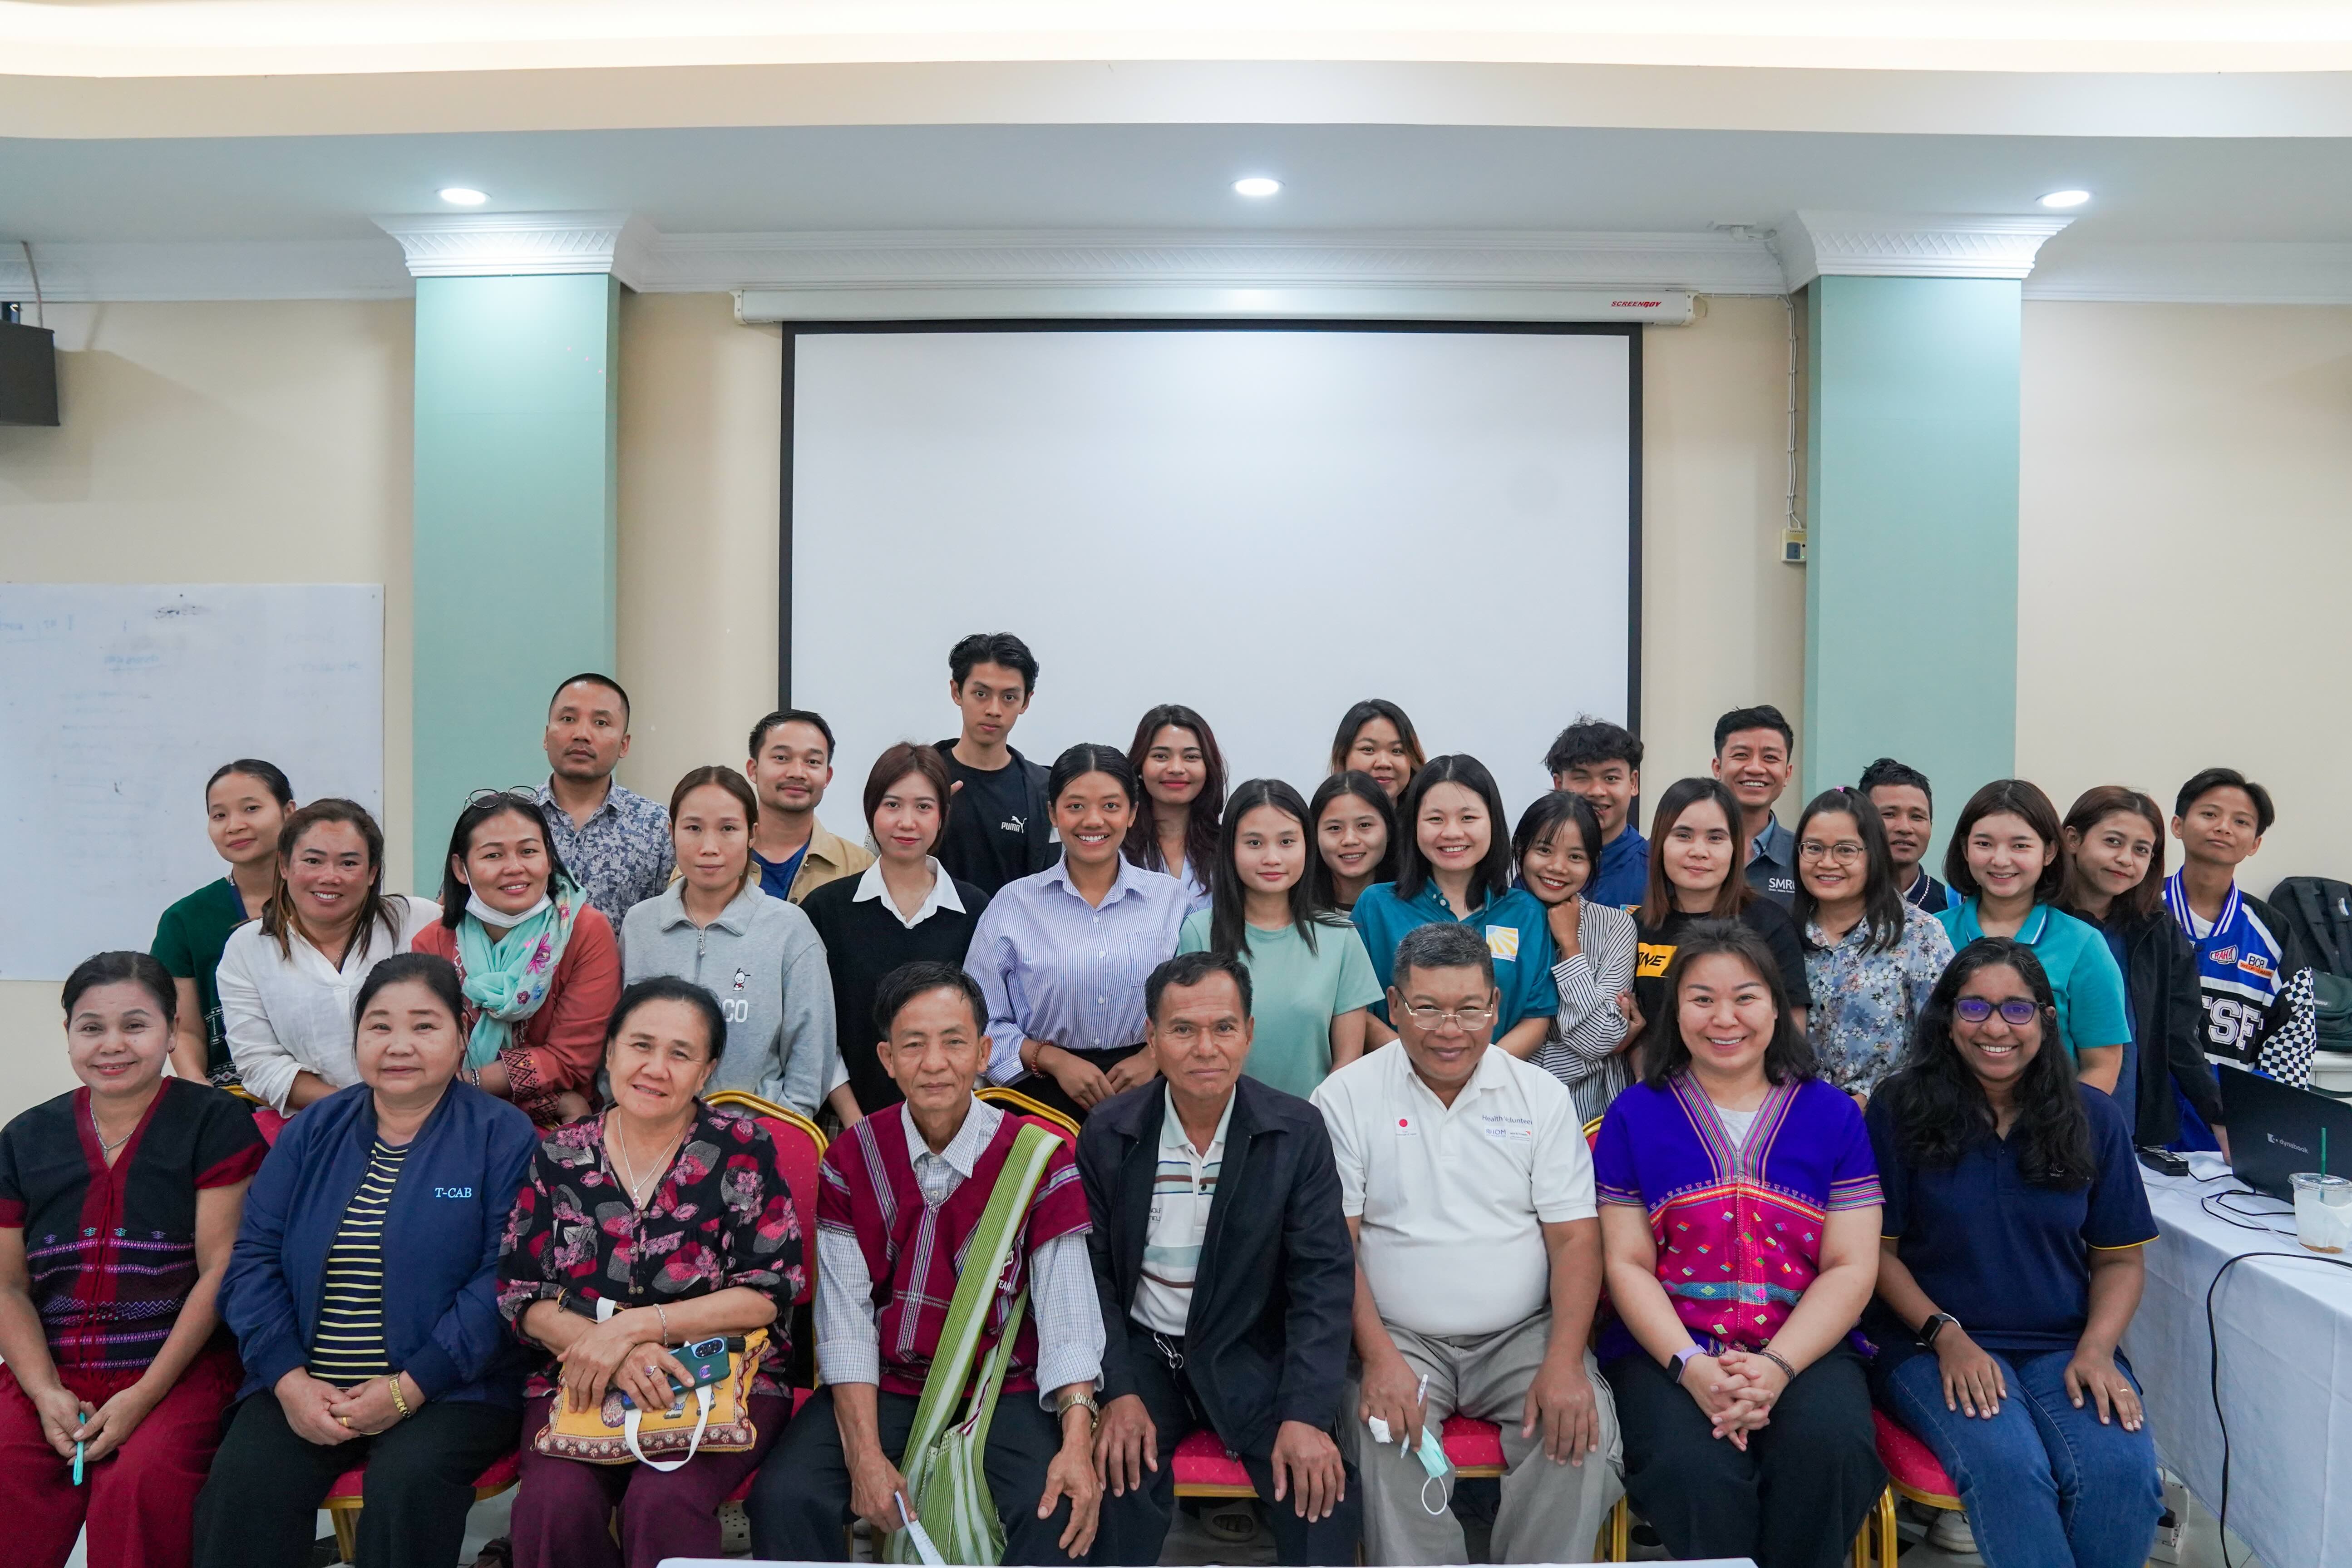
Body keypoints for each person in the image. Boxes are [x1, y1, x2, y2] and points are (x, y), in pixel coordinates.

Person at [748, 963, 1103, 1564]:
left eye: (954, 1041)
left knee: (1054, 1510)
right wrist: (863, 1452)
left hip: (1003, 1385)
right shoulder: (852, 1157)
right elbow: (845, 1321)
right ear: (887, 1057)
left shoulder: (1039, 1155)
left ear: (985, 1051)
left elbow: (1070, 1317)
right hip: (887, 1380)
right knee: (787, 1497)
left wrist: (1076, 1440)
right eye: (913, 1044)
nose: (934, 1062)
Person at [194, 953, 539, 1568]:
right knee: (246, 1481)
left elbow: (505, 1277)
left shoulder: (503, 1135)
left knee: (408, 1482)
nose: (399, 1045)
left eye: (424, 1025)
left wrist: (408, 1389)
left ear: (462, 1034)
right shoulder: (312, 1130)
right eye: (379, 1025)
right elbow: (253, 1259)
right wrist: (289, 1380)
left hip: (450, 1388)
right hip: (306, 1384)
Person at [1312, 923, 1622, 1565]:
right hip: (1397, 1335)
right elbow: (1333, 1248)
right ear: (1394, 1006)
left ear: (1495, 1007)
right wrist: (1377, 1359)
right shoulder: (1344, 1097)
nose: (1449, 1028)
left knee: (1581, 1430)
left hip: (1521, 1333)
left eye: (1469, 1008)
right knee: (1384, 1436)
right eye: (1426, 1007)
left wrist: (1565, 1361)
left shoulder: (1540, 1095)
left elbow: (1573, 1242)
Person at [1593, 921, 1885, 1568]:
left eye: (1745, 996)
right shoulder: (1633, 1116)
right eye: (1701, 998)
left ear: (1777, 1006)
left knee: (1829, 1448)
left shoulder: (1833, 1114)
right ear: (1675, 1009)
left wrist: (1777, 1367)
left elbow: (1850, 1264)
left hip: (1805, 1345)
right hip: (1669, 1349)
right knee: (1692, 1467)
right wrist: (1693, 1368)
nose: (1724, 1017)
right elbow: (1628, 1263)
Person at [1866, 939, 2164, 1568]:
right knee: (2011, 1467)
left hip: (2062, 1342)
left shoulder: (2093, 1116)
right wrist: (1945, 1334)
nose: (1995, 1027)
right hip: (1927, 1343)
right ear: (1946, 1018)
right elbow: (1878, 1253)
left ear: (2047, 1019)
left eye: (2017, 1009)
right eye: (1974, 1006)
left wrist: (2096, 1349)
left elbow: (2118, 1260)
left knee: (2123, 1474)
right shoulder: (1899, 1106)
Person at [500, 977, 805, 1568]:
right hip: (581, 1374)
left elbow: (769, 1291)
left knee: (661, 1500)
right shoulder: (560, 1154)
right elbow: (522, 1295)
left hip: (719, 1372)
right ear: (610, 1052)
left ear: (706, 1069)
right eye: (640, 1045)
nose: (656, 1067)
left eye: (681, 1053)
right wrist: (608, 1348)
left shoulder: (742, 1148)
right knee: (551, 1505)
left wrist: (635, 1328)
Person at [1082, 951, 1360, 1566]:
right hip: (1146, 1351)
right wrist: (1118, 1390)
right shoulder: (1111, 1130)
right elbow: (1092, 1273)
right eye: (1182, 1030)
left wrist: (1307, 1414)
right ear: (1151, 1037)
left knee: (1323, 1492)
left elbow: (1322, 1278)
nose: (1205, 1047)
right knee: (1116, 1476)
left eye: (1224, 1028)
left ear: (1250, 1032)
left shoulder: (1296, 1131)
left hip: (1250, 1350)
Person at [0, 952, 266, 1568]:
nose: (112, 1044)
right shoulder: (24, 1138)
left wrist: (145, 1394)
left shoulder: (216, 1122)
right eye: (91, 1027)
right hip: (53, 1364)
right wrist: (43, 1391)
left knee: (143, 1482)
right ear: (68, 1034)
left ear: (174, 1031)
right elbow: (8, 1286)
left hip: (179, 1366)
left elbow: (220, 1266)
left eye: (136, 1025)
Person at [966, 745, 1190, 1122]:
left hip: (1149, 1090)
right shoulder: (1013, 904)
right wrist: (1052, 1060)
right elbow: (977, 1018)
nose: (1093, 821)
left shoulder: (1170, 899)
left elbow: (1197, 1005)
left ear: (1133, 813)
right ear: (1052, 812)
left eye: (1110, 806)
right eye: (1075, 806)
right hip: (1036, 1097)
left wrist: (1152, 1057)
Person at [621, 767, 837, 1118]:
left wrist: (781, 1128)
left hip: (752, 1145)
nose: (709, 848)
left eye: (728, 829)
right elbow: (617, 1039)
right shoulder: (640, 925)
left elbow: (811, 1053)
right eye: (693, 828)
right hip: (646, 1131)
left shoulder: (789, 929)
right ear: (670, 831)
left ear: (752, 834)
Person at [800, 743, 991, 1119]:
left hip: (955, 1120)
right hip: (849, 1121)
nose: (907, 822)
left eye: (923, 807)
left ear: (942, 815)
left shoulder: (976, 910)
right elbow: (816, 1032)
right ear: (871, 811)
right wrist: (857, 1125)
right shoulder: (826, 909)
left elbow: (985, 1025)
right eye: (892, 805)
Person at [217, 799, 441, 1112]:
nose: (330, 877)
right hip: (320, 1124)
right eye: (313, 861)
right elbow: (259, 1063)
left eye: (349, 863)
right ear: (284, 866)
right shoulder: (247, 948)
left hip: (432, 1112)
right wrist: (355, 1108)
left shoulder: (420, 921)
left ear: (371, 873)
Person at [411, 790, 619, 1127]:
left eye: (528, 852)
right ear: (461, 869)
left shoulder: (586, 932)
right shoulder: (432, 943)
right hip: (449, 1120)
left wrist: (466, 1084)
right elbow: (426, 1047)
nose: (514, 868)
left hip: (555, 1130)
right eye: (493, 856)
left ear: (549, 859)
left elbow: (571, 1059)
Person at [1177, 779, 1381, 1098]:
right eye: (1254, 843)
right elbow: (1188, 1043)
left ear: (1306, 846)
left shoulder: (1340, 938)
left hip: (1313, 1124)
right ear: (1230, 849)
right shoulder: (1199, 931)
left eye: (1286, 842)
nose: (1272, 858)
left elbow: (1347, 1061)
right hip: (1220, 1122)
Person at [1349, 754, 1557, 1060]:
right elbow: (1355, 1008)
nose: (1451, 833)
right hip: (1394, 1086)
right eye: (1435, 819)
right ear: (1414, 825)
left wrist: (1476, 1074)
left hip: (1494, 1092)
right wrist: (1419, 1068)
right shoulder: (1376, 906)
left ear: (1492, 822)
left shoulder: (1526, 912)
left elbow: (1536, 1015)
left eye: (1468, 818)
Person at [1934, 781, 2130, 1096]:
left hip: (2048, 1132)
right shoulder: (1928, 934)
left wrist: (2060, 1131)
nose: (2000, 860)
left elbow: (2102, 1064)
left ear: (2049, 852)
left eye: (2020, 846)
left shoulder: (2083, 945)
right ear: (1964, 848)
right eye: (1984, 844)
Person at [2056, 787, 2221, 1148]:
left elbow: (2180, 1034)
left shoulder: (2158, 928)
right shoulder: (2042, 921)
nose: (2125, 859)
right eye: (2113, 842)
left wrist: (2218, 1114)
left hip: (2131, 1126)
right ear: (2072, 839)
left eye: (2141, 850)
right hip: (2050, 1120)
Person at [1792, 788, 1953, 1100]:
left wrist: (1874, 1099)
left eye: (1845, 850)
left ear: (1874, 854)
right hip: (1797, 1121)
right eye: (1813, 848)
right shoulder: (1783, 932)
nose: (1827, 862)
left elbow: (1943, 1045)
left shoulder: (1921, 935)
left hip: (1891, 1121)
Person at [1630, 779, 1809, 1050]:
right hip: (1660, 1085)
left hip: (1750, 1085)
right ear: (1659, 844)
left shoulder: (1769, 924)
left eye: (1715, 838)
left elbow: (1792, 1026)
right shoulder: (1637, 927)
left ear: (1735, 848)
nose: (1699, 852)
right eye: (1683, 835)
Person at [2165, 768, 2317, 1085]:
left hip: (2228, 1122)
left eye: (2241, 822)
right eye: (2209, 814)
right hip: (2140, 1119)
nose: (2223, 828)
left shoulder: (2274, 933)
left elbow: (2292, 1044)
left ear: (2254, 843)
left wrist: (2256, 1120)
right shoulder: (2138, 909)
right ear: (2177, 825)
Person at [153, 759, 294, 1087]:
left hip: (324, 1098)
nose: (234, 826)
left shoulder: (327, 902)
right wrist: (197, 1088)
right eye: (219, 815)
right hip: (231, 1102)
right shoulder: (184, 919)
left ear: (290, 812)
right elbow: (185, 1029)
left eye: (251, 809)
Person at [1513, 791, 1640, 1123]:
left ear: (1593, 863)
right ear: (1520, 849)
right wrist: (1603, 1049)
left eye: (1575, 857)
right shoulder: (1495, 921)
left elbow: (1597, 1039)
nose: (1557, 868)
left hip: (1591, 1119)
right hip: (1508, 1108)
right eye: (1543, 850)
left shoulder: (1616, 925)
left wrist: (1570, 948)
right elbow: (1606, 1041)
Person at [536, 673, 673, 929]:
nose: (581, 734)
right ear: (546, 736)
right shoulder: (511, 818)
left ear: (624, 745)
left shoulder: (656, 827)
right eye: (568, 719)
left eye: (601, 722)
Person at [933, 632, 1057, 896]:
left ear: (1026, 701)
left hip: (1018, 935)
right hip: (932, 934)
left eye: (1009, 697)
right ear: (957, 692)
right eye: (981, 693)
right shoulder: (920, 777)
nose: (994, 709)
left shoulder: (1046, 790)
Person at [746, 708, 874, 904]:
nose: (797, 773)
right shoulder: (714, 859)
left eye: (812, 762)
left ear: (827, 777)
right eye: (781, 758)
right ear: (753, 770)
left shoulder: (861, 866)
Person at [1122, 703, 1226, 912]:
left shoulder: (1228, 848)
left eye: (1191, 757)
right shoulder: (1115, 847)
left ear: (1208, 767)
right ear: (1140, 765)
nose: (1177, 769)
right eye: (1161, 756)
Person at [1545, 717, 1647, 912]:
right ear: (1559, 785)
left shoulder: (1657, 870)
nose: (1597, 791)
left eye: (1611, 778)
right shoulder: (1536, 868)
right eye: (1582, 778)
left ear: (1633, 783)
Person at [1712, 705, 1797, 907]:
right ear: (1718, 767)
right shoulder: (1679, 849)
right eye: (1741, 755)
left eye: (1770, 758)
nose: (1755, 768)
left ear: (1787, 774)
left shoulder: (1805, 857)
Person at [1859, 758, 1958, 915]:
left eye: (1917, 817)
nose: (1905, 828)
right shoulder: (1838, 902)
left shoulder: (1950, 909)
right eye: (1889, 814)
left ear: (1930, 826)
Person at [1305, 772, 1398, 917]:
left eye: (1364, 825)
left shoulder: (1415, 908)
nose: (1350, 840)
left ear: (1389, 830)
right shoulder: (1295, 911)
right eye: (1335, 828)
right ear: (1314, 836)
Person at [1327, 700, 1425, 804]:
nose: (1384, 763)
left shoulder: (1427, 818)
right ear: (1343, 757)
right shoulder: (1319, 819)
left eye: (1397, 751)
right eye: (1368, 749)